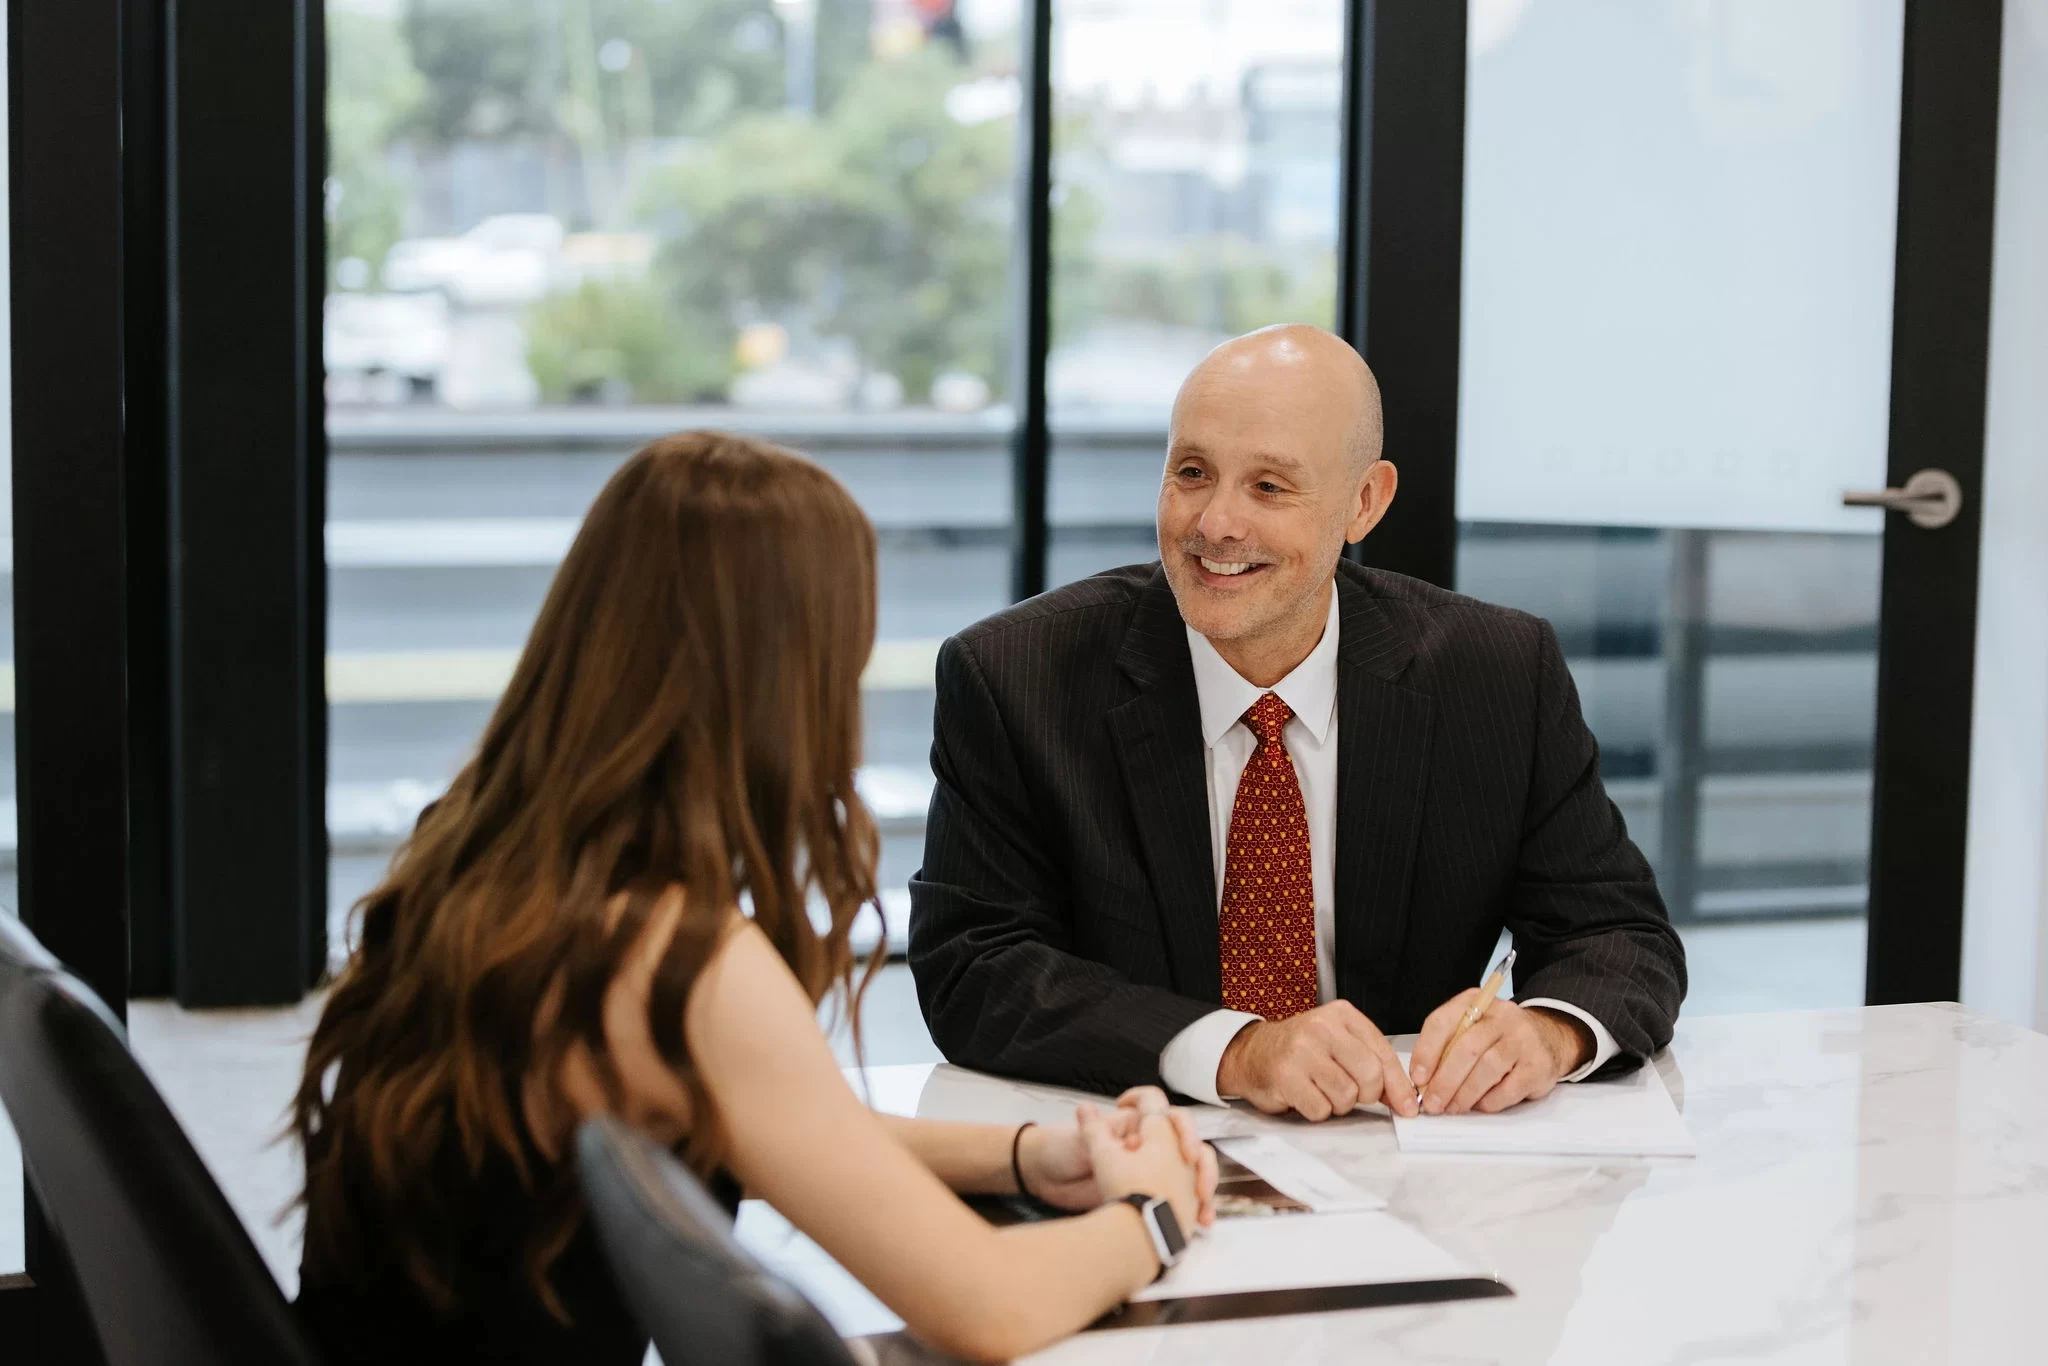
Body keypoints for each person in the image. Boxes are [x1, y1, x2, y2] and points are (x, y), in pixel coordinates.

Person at [291, 432, 1219, 1366]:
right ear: (787, 679)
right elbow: (988, 1310)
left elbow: (785, 1121)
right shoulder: (674, 962)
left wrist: (1024, 1156)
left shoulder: (488, 853)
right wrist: (1155, 1212)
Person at [910, 325, 1687, 1123]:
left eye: (1269, 487)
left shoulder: (1497, 672)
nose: (1215, 523)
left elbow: (1621, 935)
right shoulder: (1016, 676)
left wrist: (1548, 1032)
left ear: (1365, 502)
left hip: (1409, 1167)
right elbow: (974, 970)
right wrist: (1238, 1051)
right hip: (1137, 1153)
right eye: (1192, 473)